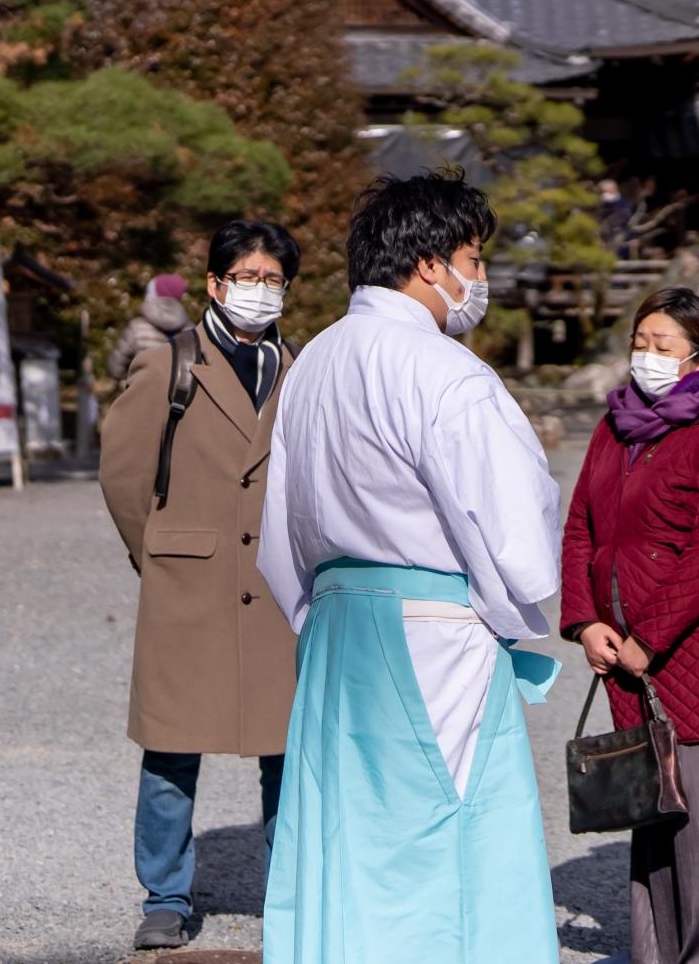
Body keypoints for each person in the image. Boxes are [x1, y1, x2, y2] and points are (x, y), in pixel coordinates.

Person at [256, 172, 563, 964]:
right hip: (434, 629)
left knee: (343, 834)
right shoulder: (443, 370)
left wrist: (313, 611)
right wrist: (514, 619)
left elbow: (281, 523)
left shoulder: (313, 362)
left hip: (335, 624)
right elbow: (514, 520)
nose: (479, 276)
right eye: (473, 255)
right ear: (431, 264)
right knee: (445, 835)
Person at [561, 287, 699, 964]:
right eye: (640, 342)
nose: (647, 356)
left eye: (664, 346)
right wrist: (583, 622)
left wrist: (648, 636)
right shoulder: (615, 428)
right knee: (653, 825)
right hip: (627, 656)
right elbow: (580, 529)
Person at [97, 222, 300, 952]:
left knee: (288, 749)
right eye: (245, 276)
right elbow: (122, 474)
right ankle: (165, 895)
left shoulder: (298, 366)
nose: (258, 290)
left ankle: (292, 889)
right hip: (189, 582)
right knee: (171, 749)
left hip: (277, 585)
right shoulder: (170, 363)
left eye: (272, 279)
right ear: (214, 284)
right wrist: (157, 556)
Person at [108, 273, 191, 380]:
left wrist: (132, 380)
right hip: (178, 395)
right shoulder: (190, 330)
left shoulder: (137, 327)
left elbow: (116, 367)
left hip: (141, 391)